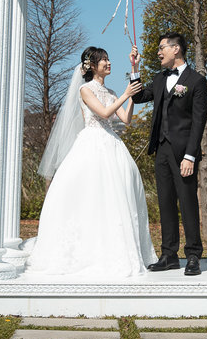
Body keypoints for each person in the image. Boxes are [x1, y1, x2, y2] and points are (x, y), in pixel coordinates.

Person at [23, 46, 158, 277]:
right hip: (92, 144)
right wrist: (125, 94)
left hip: (113, 145)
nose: (108, 62)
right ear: (91, 66)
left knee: (115, 199)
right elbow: (104, 114)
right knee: (90, 198)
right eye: (103, 60)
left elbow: (125, 119)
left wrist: (133, 77)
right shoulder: (86, 90)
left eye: (107, 58)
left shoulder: (112, 90)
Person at [129, 32, 207, 276]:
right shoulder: (158, 77)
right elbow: (139, 96)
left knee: (187, 203)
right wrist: (135, 68)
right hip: (161, 149)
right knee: (165, 203)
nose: (158, 52)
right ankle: (169, 255)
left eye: (162, 47)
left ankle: (193, 254)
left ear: (176, 49)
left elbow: (199, 122)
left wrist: (190, 156)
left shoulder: (196, 81)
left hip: (184, 153)